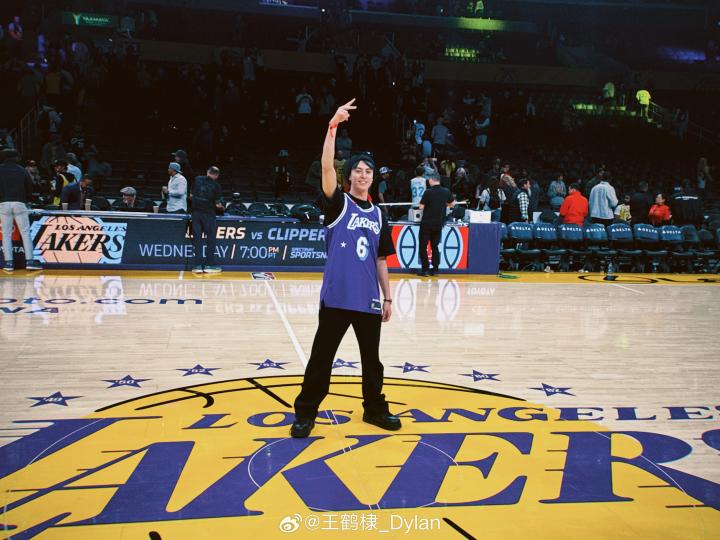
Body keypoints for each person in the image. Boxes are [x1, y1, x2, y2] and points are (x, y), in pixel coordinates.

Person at [292, 99, 400, 439]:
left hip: (368, 298)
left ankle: (374, 408)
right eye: (358, 170)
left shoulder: (379, 214)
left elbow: (381, 259)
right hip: (338, 297)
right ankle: (306, 412)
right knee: (321, 359)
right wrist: (332, 127)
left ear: (373, 178)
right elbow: (326, 167)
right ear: (349, 175)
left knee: (372, 361)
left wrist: (388, 297)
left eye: (368, 171)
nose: (364, 175)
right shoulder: (338, 203)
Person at [0, 149, 41, 272]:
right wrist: (27, 198)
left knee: (6, 234)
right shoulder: (22, 170)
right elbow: (30, 188)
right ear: (14, 157)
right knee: (25, 233)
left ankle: (8, 263)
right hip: (19, 202)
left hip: (3, 203)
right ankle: (30, 262)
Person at [418, 173, 454, 277]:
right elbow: (452, 204)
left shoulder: (428, 192)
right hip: (438, 223)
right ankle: (435, 270)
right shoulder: (446, 191)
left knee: (423, 246)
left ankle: (425, 270)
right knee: (435, 247)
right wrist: (444, 205)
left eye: (429, 180)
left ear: (432, 180)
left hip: (426, 223)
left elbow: (421, 207)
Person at [190, 166, 223, 274]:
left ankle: (198, 266)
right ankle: (209, 265)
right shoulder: (216, 186)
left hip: (195, 213)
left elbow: (191, 195)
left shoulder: (197, 179)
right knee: (211, 240)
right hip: (208, 214)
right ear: (216, 176)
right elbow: (217, 204)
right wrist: (222, 207)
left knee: (197, 240)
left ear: (207, 172)